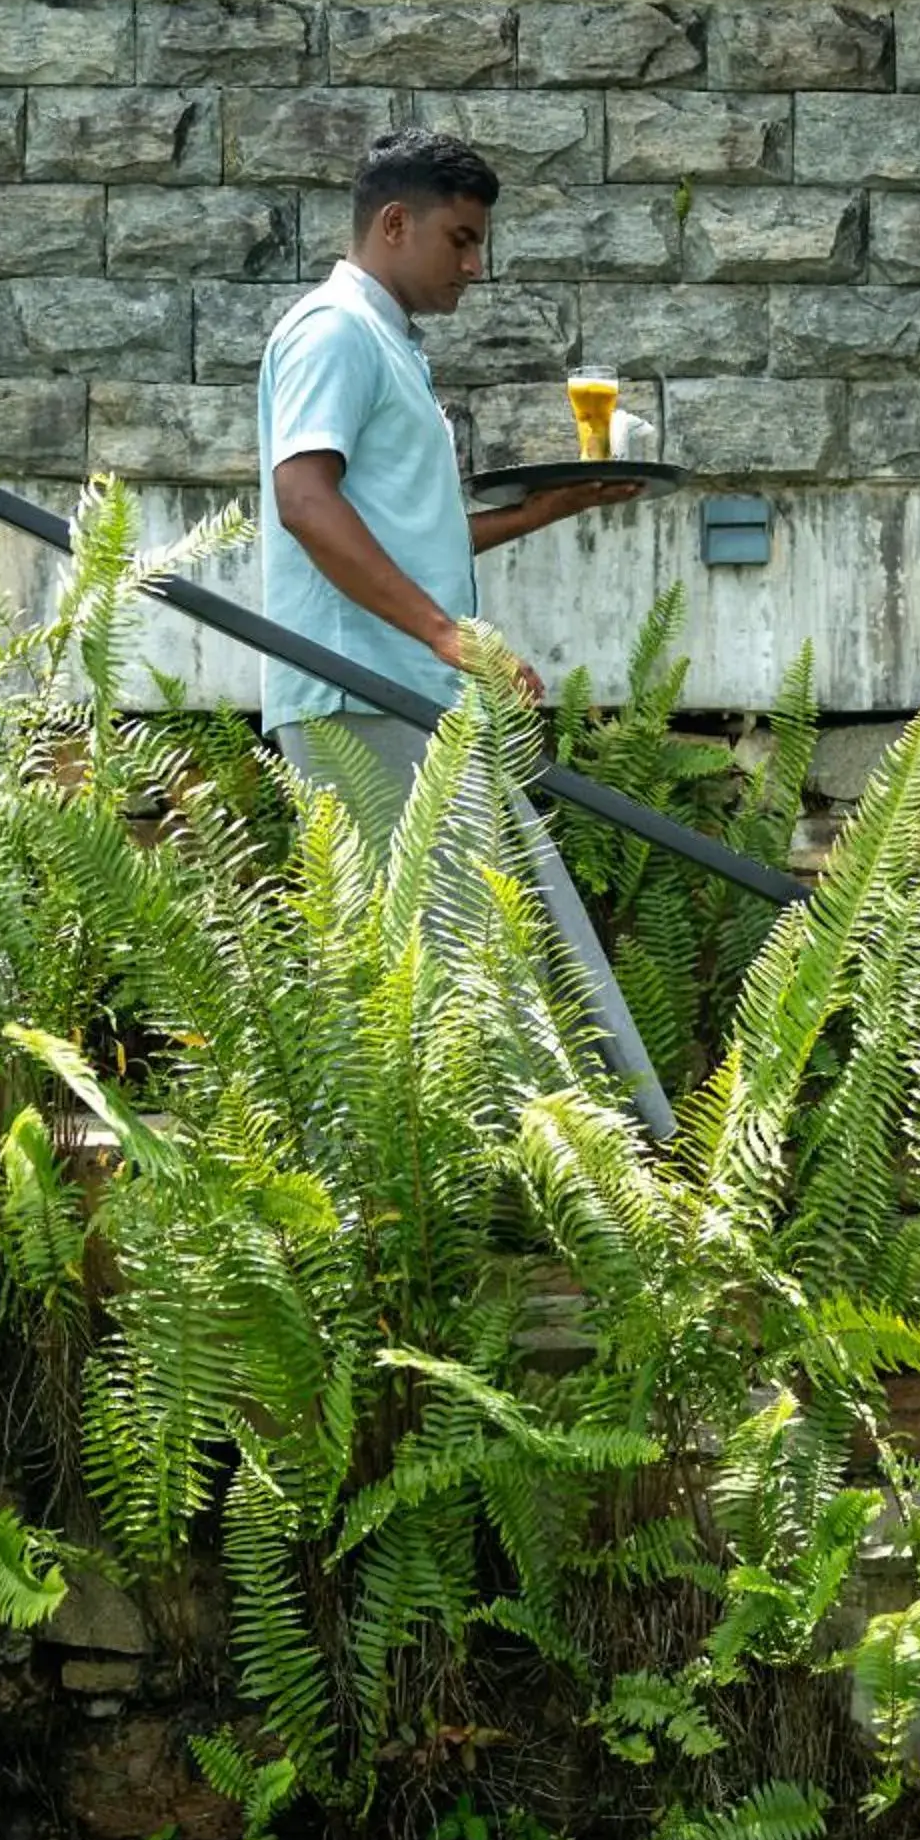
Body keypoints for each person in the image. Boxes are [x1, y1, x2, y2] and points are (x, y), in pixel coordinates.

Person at [258, 125, 672, 1136]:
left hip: (411, 691)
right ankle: (523, 1195)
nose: (475, 266)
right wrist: (451, 639)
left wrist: (546, 510)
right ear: (393, 224)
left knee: (497, 941)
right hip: (365, 691)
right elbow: (306, 503)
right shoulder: (331, 332)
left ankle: (587, 1181)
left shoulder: (385, 341)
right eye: (460, 239)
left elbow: (404, 529)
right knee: (448, 964)